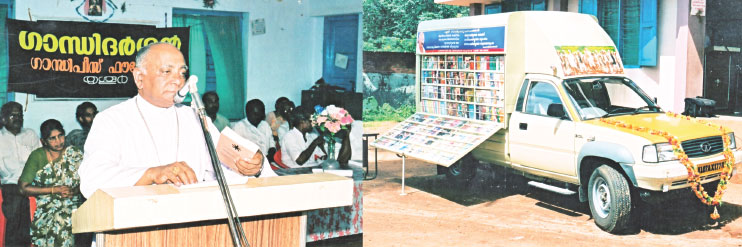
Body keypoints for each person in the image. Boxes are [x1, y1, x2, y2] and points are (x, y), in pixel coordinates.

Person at [78, 42, 274, 198]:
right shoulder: (111, 120)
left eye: (182, 72)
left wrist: (254, 166)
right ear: (139, 78)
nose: (178, 80)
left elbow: (224, 166)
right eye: (166, 71)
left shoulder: (194, 118)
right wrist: (152, 174)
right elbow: (92, 180)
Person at [19, 119, 85, 247]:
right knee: (61, 220)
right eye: (52, 138)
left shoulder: (75, 153)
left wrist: (73, 191)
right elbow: (23, 188)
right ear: (43, 141)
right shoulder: (37, 156)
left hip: (74, 204)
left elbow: (87, 182)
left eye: (60, 136)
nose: (58, 141)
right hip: (46, 206)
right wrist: (54, 190)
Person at [0, 101, 40, 246]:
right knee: (16, 204)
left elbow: (41, 159)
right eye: (13, 115)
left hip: (33, 183)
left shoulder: (30, 135)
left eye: (20, 115)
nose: (18, 118)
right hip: (11, 184)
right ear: (3, 118)